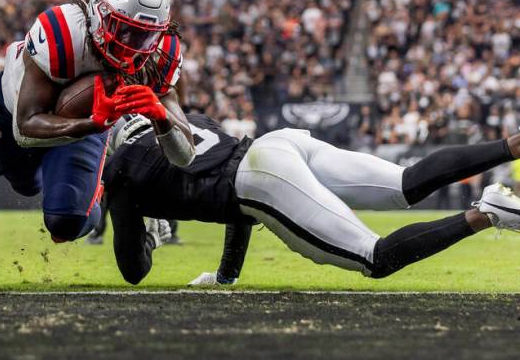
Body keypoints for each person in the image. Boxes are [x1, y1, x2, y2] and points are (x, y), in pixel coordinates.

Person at [103, 112, 520, 286]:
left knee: (375, 257)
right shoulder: (190, 120)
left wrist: (148, 235)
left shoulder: (121, 167)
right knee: (406, 182)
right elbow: (237, 206)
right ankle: (512, 145)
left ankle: (486, 213)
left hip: (260, 176)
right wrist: (226, 276)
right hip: (279, 145)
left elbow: (133, 270)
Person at [0, 0, 194, 244]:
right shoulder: (62, 32)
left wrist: (160, 116)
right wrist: (90, 123)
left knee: (65, 224)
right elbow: (24, 128)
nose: (132, 45)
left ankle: (105, 188)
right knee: (24, 184)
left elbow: (184, 155)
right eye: (123, 29)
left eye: (145, 36)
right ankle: (103, 160)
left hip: (90, 118)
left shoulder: (162, 52)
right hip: (20, 112)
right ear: (98, 10)